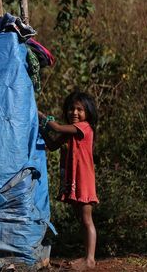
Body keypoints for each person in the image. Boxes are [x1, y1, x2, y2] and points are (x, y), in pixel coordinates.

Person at [39, 91, 98, 270]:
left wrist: (41, 116)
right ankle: (86, 256)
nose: (75, 112)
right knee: (82, 219)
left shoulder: (84, 127)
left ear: (88, 113)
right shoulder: (71, 131)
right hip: (75, 179)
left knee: (87, 219)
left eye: (80, 109)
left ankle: (90, 260)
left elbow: (56, 128)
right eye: (72, 108)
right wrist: (42, 129)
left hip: (84, 179)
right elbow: (53, 144)